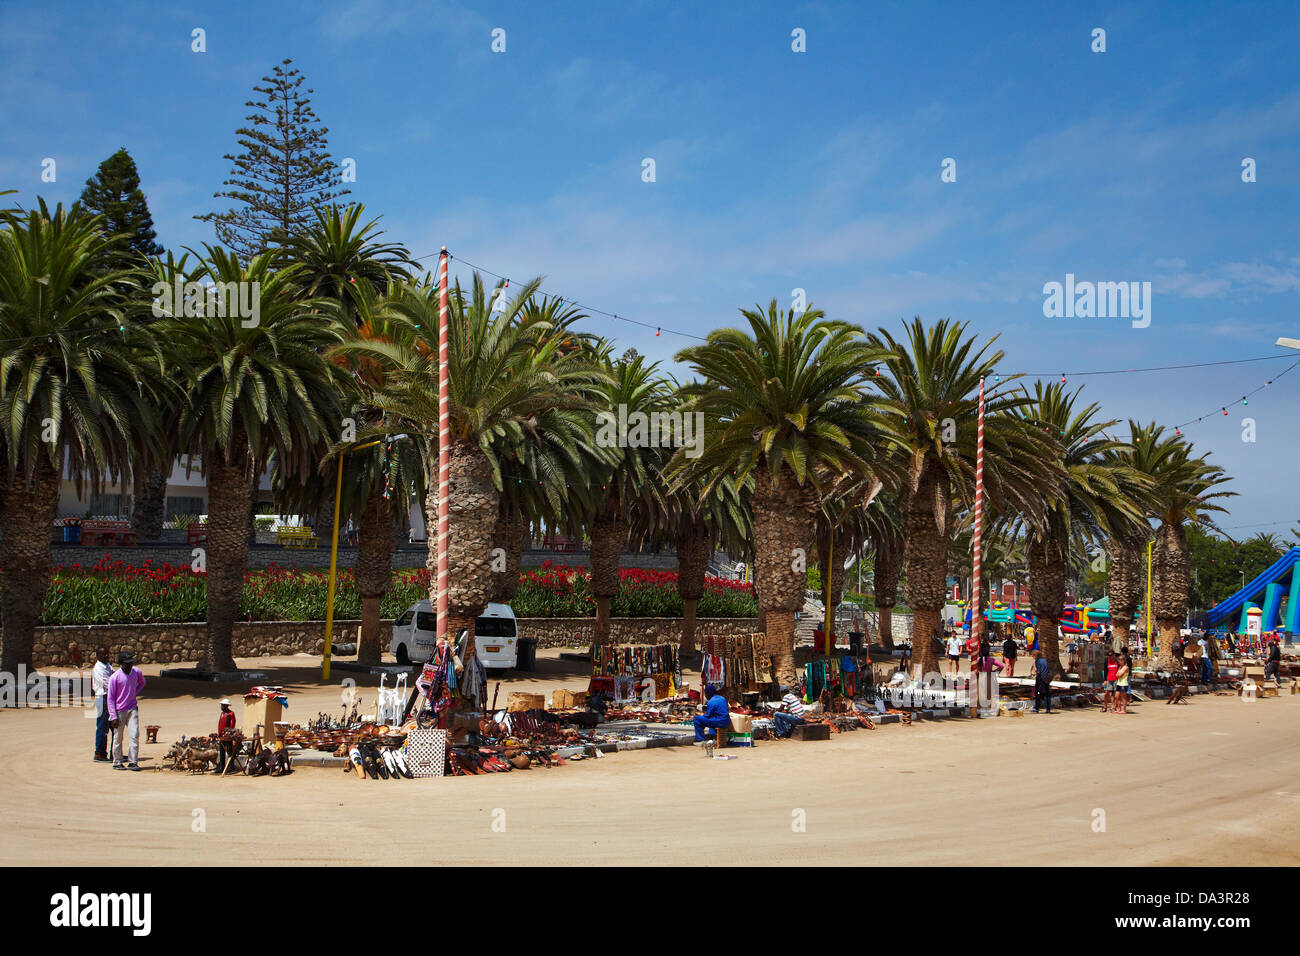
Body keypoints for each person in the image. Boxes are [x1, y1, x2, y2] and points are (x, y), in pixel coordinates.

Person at [107, 651, 146, 771]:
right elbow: (110, 698)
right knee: (118, 737)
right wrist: (113, 716)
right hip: (119, 711)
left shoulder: (136, 672)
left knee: (134, 734)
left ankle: (133, 761)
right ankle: (117, 761)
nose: (129, 666)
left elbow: (142, 683)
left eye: (131, 663)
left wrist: (134, 693)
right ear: (121, 663)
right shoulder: (115, 677)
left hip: (132, 708)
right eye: (126, 663)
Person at [92, 644, 113, 762]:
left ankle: (114, 753)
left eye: (107, 653)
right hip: (103, 698)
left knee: (113, 726)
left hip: (109, 698)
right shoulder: (99, 669)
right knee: (102, 727)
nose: (106, 656)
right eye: (103, 654)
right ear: (97, 656)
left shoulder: (107, 666)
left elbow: (115, 677)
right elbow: (108, 684)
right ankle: (99, 754)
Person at [216, 698, 238, 773]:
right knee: (221, 751)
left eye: (223, 705)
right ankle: (222, 767)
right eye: (221, 705)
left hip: (227, 736)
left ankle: (231, 767)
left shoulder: (231, 713)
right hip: (222, 736)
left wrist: (230, 732)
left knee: (229, 751)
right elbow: (220, 724)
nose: (221, 707)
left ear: (226, 706)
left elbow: (233, 722)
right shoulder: (222, 713)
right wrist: (219, 733)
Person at [1114, 649, 1131, 714]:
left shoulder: (1126, 667)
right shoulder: (1120, 667)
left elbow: (1120, 675)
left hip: (1124, 683)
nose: (1119, 662)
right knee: (1117, 696)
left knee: (1123, 697)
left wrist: (1119, 674)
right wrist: (1118, 674)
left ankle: (1124, 710)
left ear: (1123, 661)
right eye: (1119, 661)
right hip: (1119, 683)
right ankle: (1119, 708)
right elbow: (1117, 674)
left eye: (1120, 661)